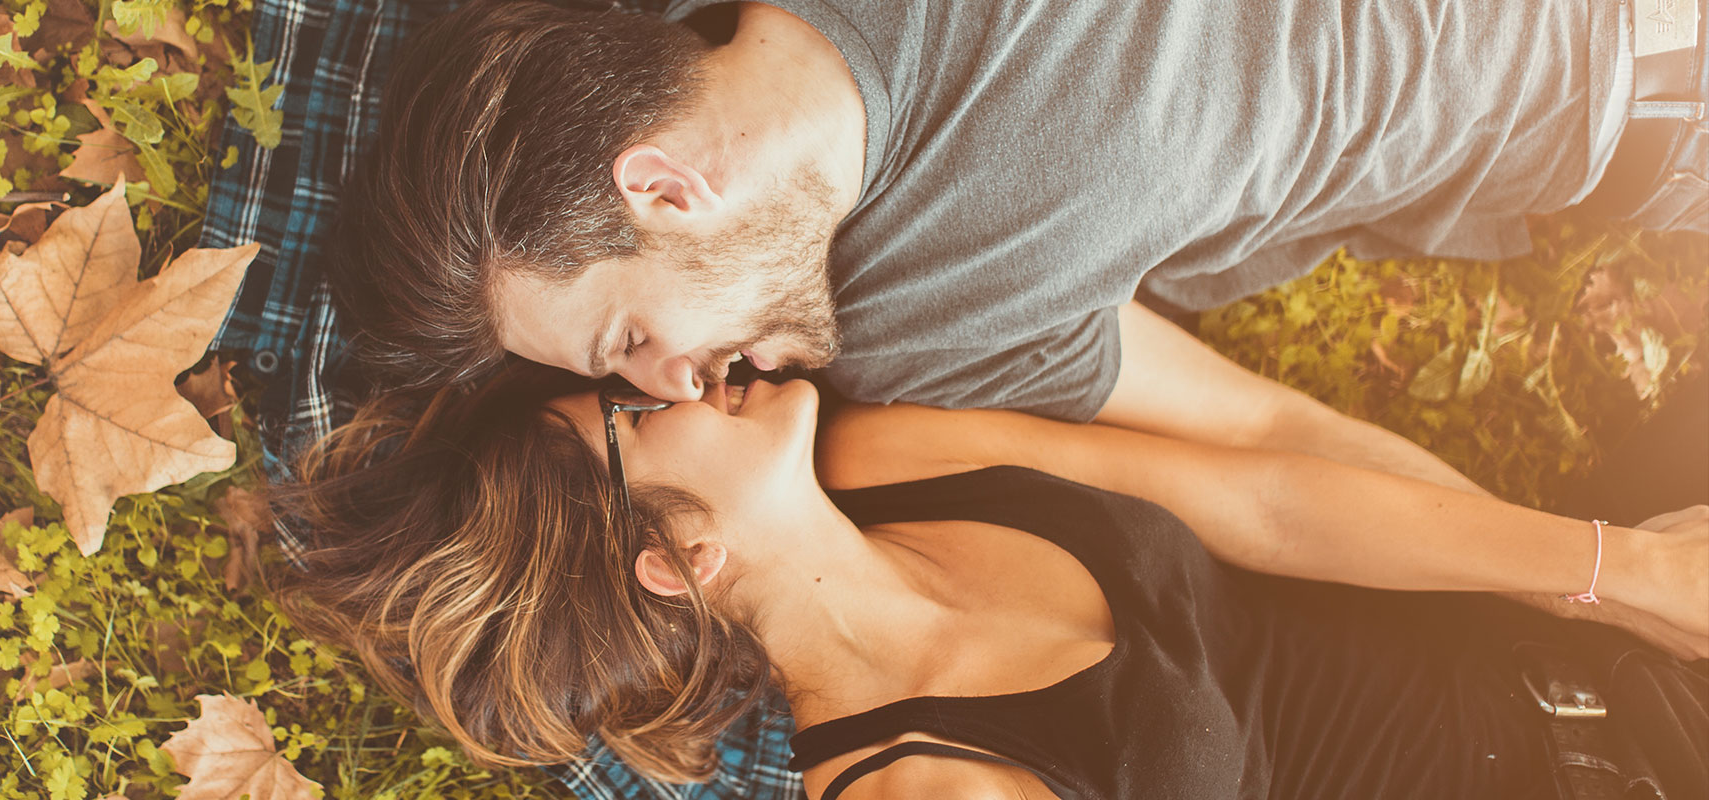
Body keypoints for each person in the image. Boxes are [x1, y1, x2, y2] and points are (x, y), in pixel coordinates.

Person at [325, 0, 1705, 504]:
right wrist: (1594, 580)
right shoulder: (919, 335)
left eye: (631, 340)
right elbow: (1269, 441)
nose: (676, 385)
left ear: (666, 188)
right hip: (1639, 125)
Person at [274, 369, 1709, 799]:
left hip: (1570, 638)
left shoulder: (882, 457)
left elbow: (1266, 498)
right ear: (676, 556)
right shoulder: (921, 788)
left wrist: (1619, 572)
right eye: (636, 411)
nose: (672, 371)